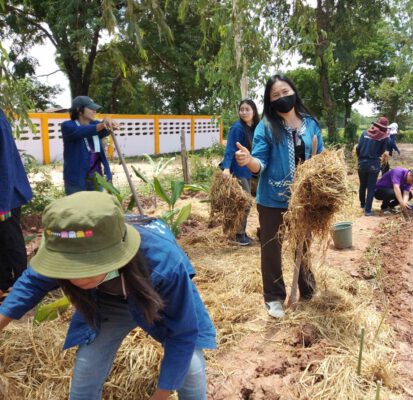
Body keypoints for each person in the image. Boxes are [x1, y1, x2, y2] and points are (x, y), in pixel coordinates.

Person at [0, 192, 216, 400]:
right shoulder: (64, 244)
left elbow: (182, 333)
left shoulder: (164, 264)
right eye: (68, 268)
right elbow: (31, 283)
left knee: (190, 369)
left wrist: (160, 395)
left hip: (156, 297)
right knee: (87, 370)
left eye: (88, 266)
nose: (77, 278)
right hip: (107, 301)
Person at [234, 74, 324, 319]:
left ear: (294, 92)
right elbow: (259, 163)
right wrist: (248, 160)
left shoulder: (310, 124)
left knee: (303, 244)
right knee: (272, 247)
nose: (282, 97)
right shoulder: (266, 126)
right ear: (269, 100)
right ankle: (273, 297)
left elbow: (320, 158)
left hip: (303, 199)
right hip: (273, 199)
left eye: (285, 92)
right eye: (275, 95)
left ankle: (307, 289)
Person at [0, 108, 33, 305]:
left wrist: (3, 204)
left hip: (7, 196)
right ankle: (4, 284)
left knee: (12, 242)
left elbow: (5, 165)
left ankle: (23, 287)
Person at [220, 99, 260, 246]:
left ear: (253, 111)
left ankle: (238, 232)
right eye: (241, 109)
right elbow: (230, 148)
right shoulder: (237, 128)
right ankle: (238, 235)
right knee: (245, 203)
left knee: (244, 202)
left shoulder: (254, 128)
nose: (243, 112)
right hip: (238, 170)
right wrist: (226, 168)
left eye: (247, 109)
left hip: (248, 169)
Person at [61, 96, 119, 195]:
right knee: (78, 205)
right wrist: (102, 125)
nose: (94, 111)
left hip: (96, 178)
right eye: (91, 108)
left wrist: (109, 121)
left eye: (95, 109)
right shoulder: (67, 126)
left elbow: (104, 129)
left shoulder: (95, 124)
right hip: (76, 181)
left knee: (96, 204)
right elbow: (83, 131)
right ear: (79, 110)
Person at [355, 116, 390, 216]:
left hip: (362, 163)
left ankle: (362, 205)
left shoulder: (364, 133)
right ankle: (368, 210)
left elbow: (358, 148)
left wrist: (361, 158)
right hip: (373, 164)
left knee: (362, 185)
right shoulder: (384, 137)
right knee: (371, 188)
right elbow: (382, 151)